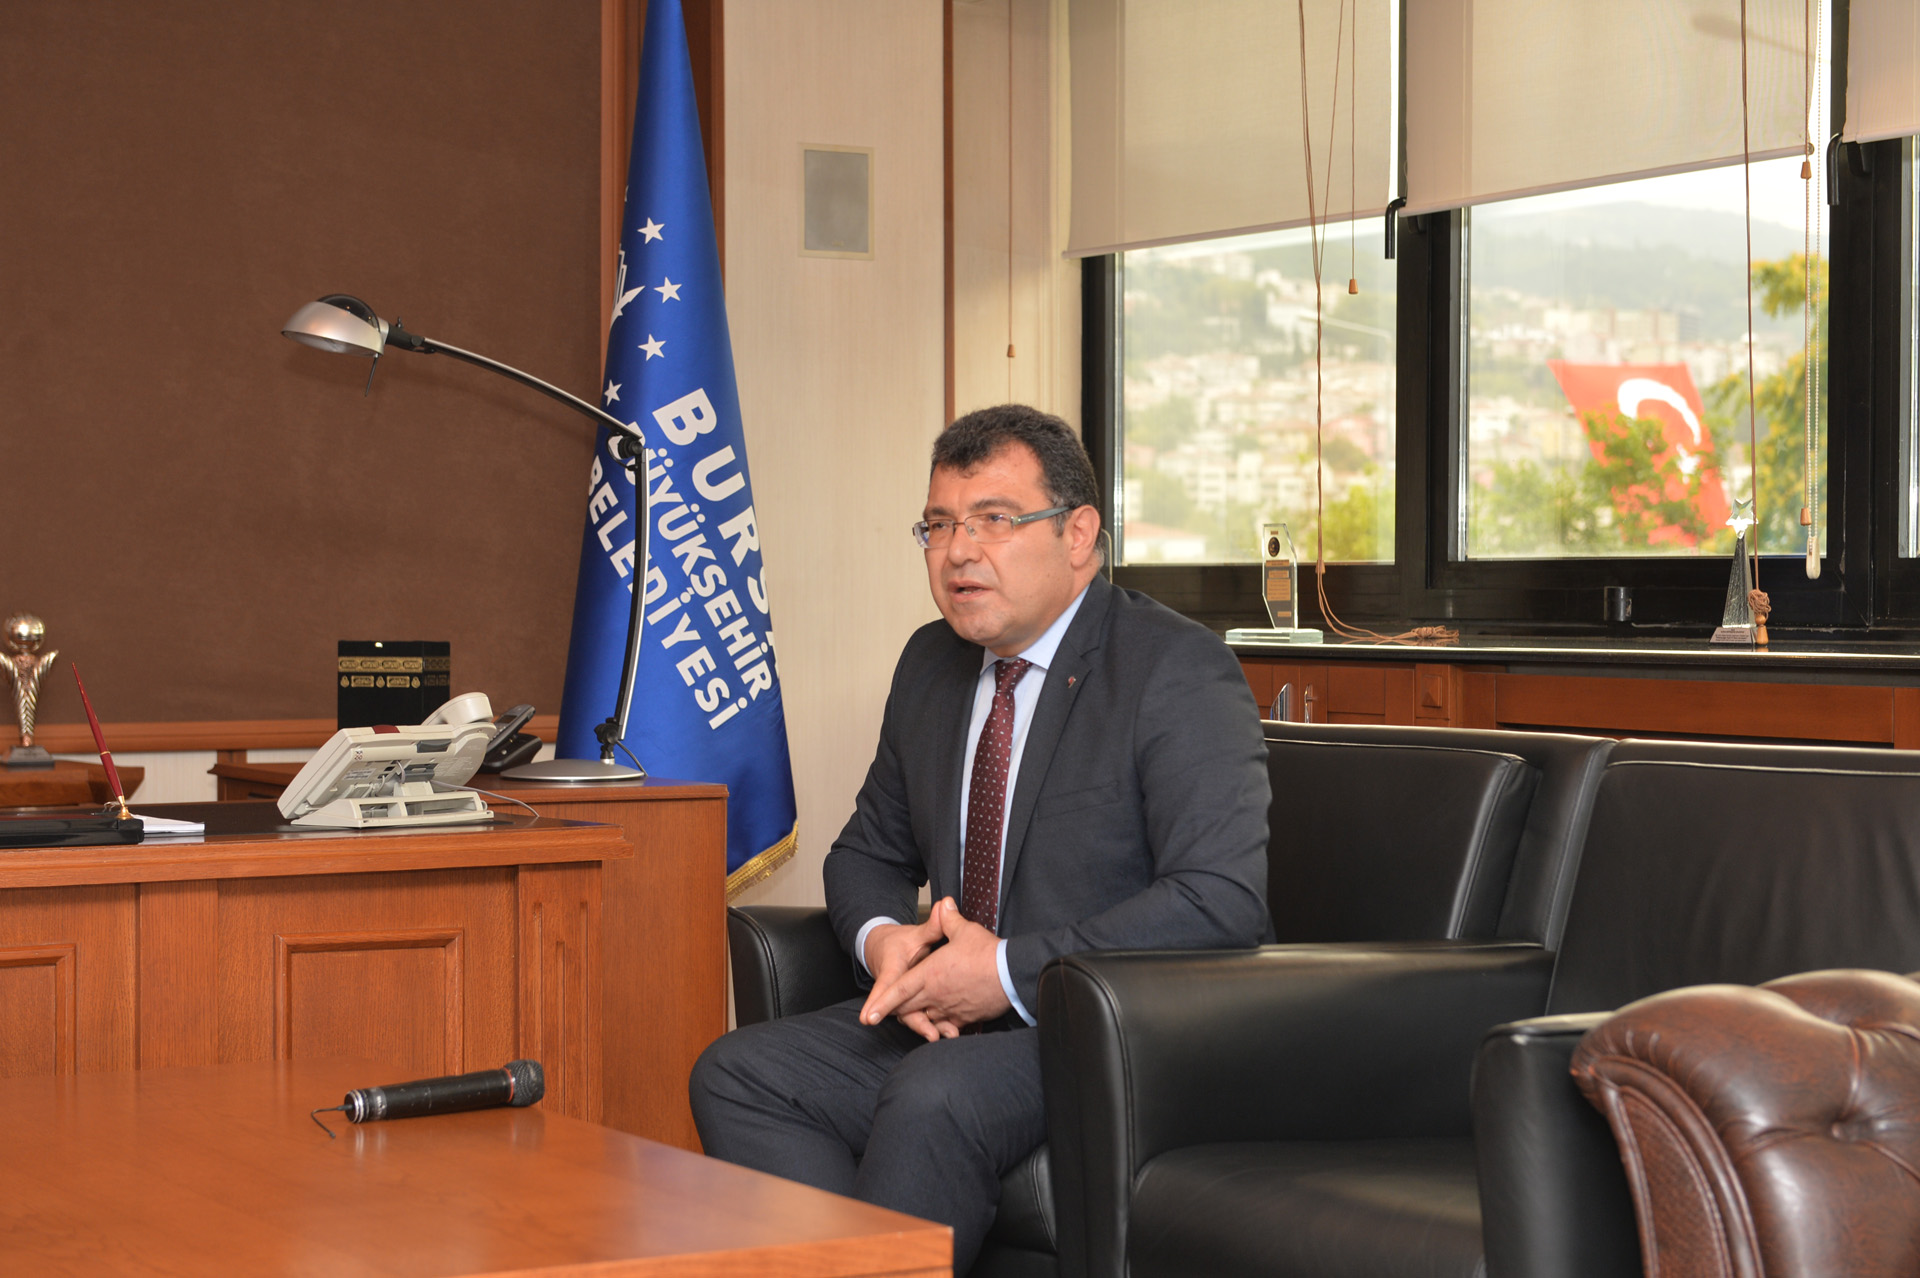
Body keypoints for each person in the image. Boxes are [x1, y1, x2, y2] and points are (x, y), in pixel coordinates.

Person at [689, 404, 1271, 1271]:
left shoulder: (1173, 668)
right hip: (955, 1027)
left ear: (1079, 535)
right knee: (739, 1072)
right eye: (938, 525)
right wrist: (886, 943)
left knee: (937, 1094)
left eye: (994, 520)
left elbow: (1219, 902)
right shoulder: (933, 664)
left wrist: (1000, 973)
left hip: (1112, 1025)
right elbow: (868, 852)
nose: (958, 551)